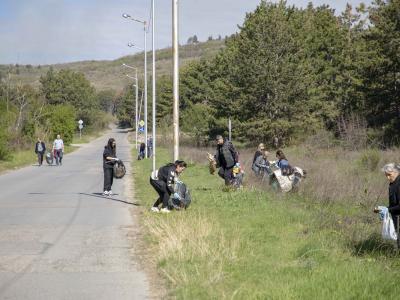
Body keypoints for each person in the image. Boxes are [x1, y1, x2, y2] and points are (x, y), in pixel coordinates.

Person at [379, 163, 400, 248]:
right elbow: (394, 203)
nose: (388, 178)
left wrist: (388, 210)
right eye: (386, 175)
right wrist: (384, 209)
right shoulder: (393, 183)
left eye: (389, 175)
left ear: (396, 172)